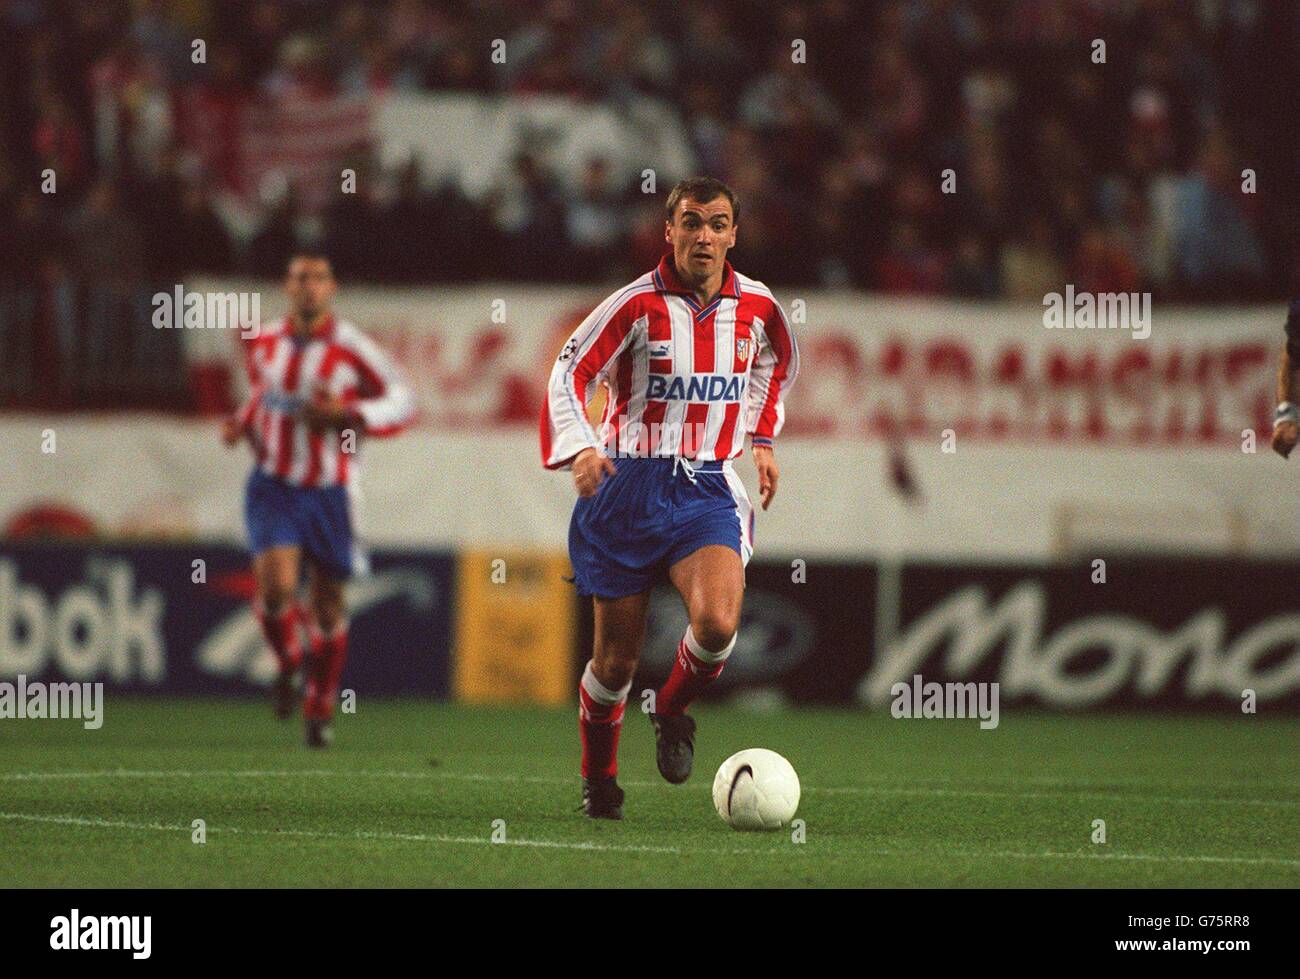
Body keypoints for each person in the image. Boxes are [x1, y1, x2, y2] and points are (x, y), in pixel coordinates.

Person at [541, 177, 798, 818]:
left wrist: (760, 438)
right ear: (669, 231)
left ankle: (673, 709)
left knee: (716, 626)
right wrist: (580, 448)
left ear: (734, 234)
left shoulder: (759, 307)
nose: (703, 236)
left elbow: (776, 366)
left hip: (706, 484)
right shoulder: (633, 305)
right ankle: (599, 779)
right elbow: (569, 371)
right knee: (615, 663)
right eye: (690, 222)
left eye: (716, 224)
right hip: (624, 488)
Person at [223, 254, 415, 746]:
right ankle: (288, 663)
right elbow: (262, 397)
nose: (309, 287)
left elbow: (404, 399)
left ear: (331, 288)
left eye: (318, 278)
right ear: (287, 287)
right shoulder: (263, 343)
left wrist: (348, 413)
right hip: (274, 485)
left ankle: (320, 704)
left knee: (328, 606)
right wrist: (241, 422)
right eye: (299, 278)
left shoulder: (353, 348)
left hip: (331, 491)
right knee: (276, 587)